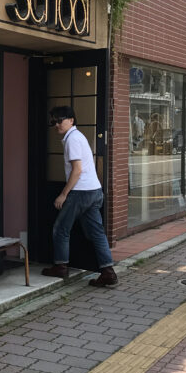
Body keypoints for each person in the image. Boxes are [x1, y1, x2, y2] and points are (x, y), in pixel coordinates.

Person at [41, 105, 118, 288]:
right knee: (97, 233)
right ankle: (108, 272)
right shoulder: (77, 137)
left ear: (71, 120)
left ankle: (60, 266)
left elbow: (77, 170)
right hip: (94, 190)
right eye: (53, 121)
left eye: (60, 120)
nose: (56, 124)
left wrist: (63, 194)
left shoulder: (73, 139)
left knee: (61, 229)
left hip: (81, 192)